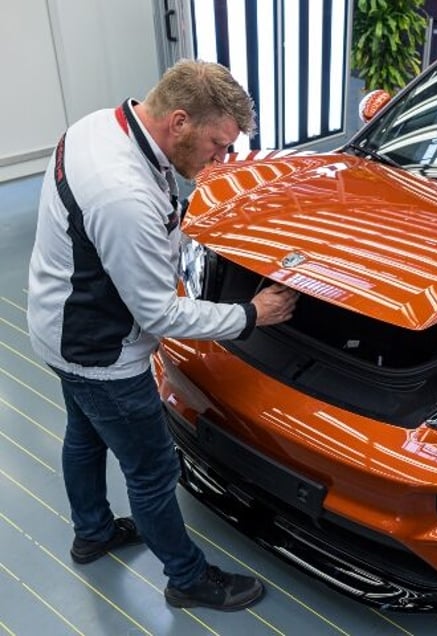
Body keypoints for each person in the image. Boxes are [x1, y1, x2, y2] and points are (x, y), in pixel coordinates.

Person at [26, 59, 298, 612]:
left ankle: (92, 532)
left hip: (57, 328)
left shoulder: (98, 127)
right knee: (153, 471)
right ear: (179, 121)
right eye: (218, 146)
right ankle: (187, 578)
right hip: (102, 355)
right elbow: (161, 317)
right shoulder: (121, 195)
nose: (220, 160)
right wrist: (251, 314)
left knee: (83, 434)